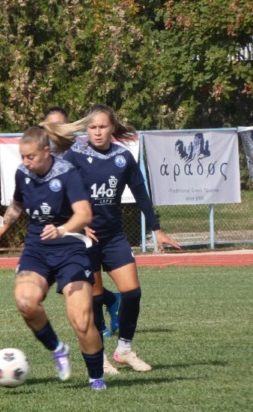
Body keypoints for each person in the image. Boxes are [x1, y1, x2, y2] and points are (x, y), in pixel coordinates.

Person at [0, 124, 107, 390]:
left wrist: (62, 229)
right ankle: (58, 349)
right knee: (25, 302)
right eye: (22, 156)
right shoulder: (23, 173)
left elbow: (84, 214)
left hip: (71, 248)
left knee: (81, 321)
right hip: (37, 249)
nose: (26, 162)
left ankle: (96, 377)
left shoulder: (67, 173)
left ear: (46, 151)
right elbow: (16, 206)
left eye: (31, 156)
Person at [62, 104, 181, 374]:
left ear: (112, 127)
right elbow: (60, 192)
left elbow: (140, 192)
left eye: (102, 126)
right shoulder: (75, 155)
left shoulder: (122, 157)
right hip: (85, 239)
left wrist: (156, 229)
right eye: (92, 127)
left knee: (132, 293)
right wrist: (77, 224)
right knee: (94, 299)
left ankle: (124, 350)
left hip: (114, 236)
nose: (97, 132)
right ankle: (99, 356)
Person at [45, 106, 122, 337]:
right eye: (52, 125)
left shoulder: (79, 151)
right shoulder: (44, 153)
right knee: (71, 280)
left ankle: (99, 325)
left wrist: (81, 220)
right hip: (59, 223)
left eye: (61, 124)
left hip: (78, 223)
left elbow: (79, 193)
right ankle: (111, 301)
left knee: (78, 280)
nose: (57, 129)